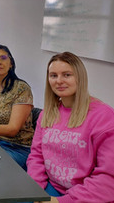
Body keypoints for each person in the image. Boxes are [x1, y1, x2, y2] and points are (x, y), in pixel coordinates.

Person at [27, 52, 114, 202]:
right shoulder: (47, 114)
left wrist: (61, 201)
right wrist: (36, 191)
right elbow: (36, 156)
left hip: (86, 196)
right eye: (53, 75)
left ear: (80, 78)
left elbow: (108, 178)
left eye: (67, 75)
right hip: (50, 188)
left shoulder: (104, 117)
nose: (59, 81)